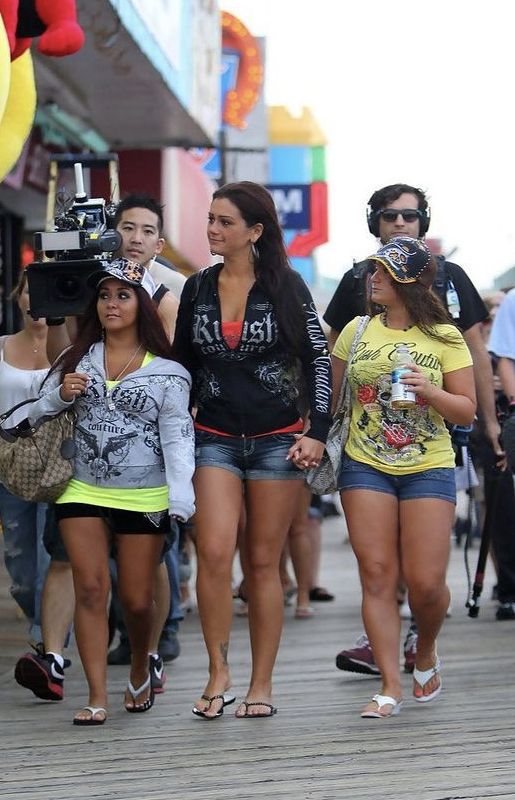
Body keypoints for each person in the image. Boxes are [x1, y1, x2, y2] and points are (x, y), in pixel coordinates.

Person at [324, 182, 503, 674]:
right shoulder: (358, 280)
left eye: (409, 216)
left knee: (424, 567)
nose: (399, 223)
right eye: (389, 217)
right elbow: (333, 357)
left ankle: (420, 638)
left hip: (438, 428)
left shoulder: (451, 277)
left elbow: (475, 354)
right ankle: (382, 645)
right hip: (368, 438)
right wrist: (316, 430)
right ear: (374, 224)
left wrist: (489, 422)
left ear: (423, 221)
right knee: (379, 564)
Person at [172, 180, 332, 719]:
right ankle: (219, 673)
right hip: (212, 435)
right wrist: (176, 423)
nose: (212, 229)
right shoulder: (196, 287)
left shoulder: (287, 285)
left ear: (255, 231)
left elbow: (317, 357)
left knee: (262, 562)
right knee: (215, 553)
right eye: (210, 219)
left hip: (278, 440)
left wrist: (317, 429)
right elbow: (184, 366)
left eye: (224, 222)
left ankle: (262, 683)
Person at [26, 257, 195, 725]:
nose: (111, 304)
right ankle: (97, 695)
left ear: (141, 304)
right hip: (81, 488)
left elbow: (179, 438)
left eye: (122, 295)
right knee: (91, 589)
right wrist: (61, 394)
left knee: (138, 601)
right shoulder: (74, 359)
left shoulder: (170, 372)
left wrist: (182, 497)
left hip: (146, 495)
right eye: (103, 295)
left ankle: (141, 662)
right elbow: (36, 415)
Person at [332, 236, 475, 717]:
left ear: (412, 282)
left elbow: (466, 412)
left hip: (428, 465)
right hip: (364, 461)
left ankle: (427, 648)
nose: (372, 277)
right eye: (373, 269)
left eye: (384, 272)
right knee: (376, 576)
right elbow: (330, 397)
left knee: (426, 585)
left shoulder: (445, 337)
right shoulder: (355, 331)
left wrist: (429, 390)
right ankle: (390, 685)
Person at [0, 271, 50, 643]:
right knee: (20, 570)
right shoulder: (1, 348)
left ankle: (46, 641)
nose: (37, 300)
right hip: (11, 465)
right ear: (18, 297)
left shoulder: (73, 347)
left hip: (59, 464)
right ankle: (40, 617)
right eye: (31, 291)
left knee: (50, 557)